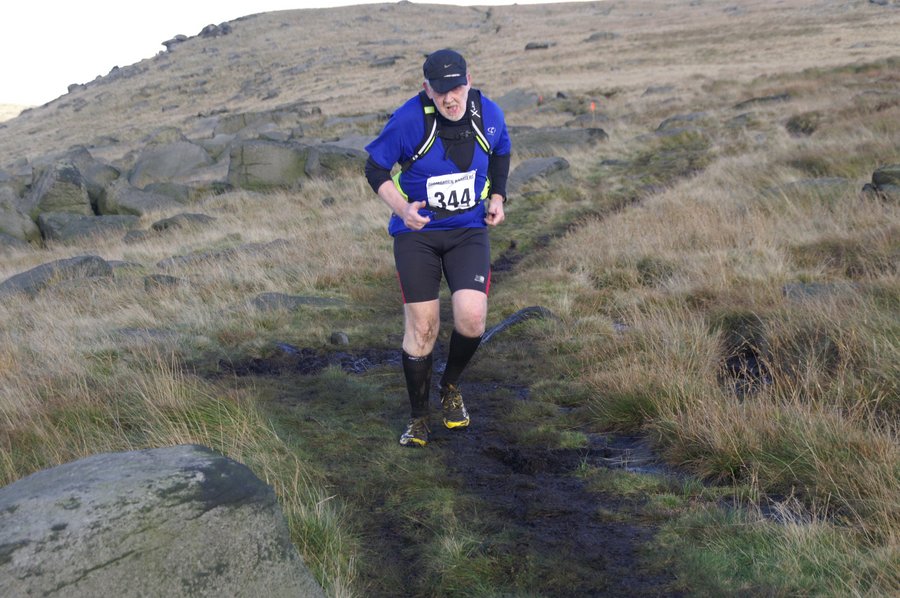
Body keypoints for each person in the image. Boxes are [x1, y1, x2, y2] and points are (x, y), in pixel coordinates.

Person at [364, 48, 511, 447]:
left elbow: (501, 151)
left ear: (469, 80)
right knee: (423, 328)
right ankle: (418, 418)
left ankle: (450, 386)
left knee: (472, 319)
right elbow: (375, 167)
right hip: (418, 235)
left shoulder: (487, 113)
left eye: (457, 87)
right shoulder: (408, 120)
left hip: (468, 231)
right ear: (427, 89)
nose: (451, 98)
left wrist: (498, 197)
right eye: (441, 90)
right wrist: (402, 209)